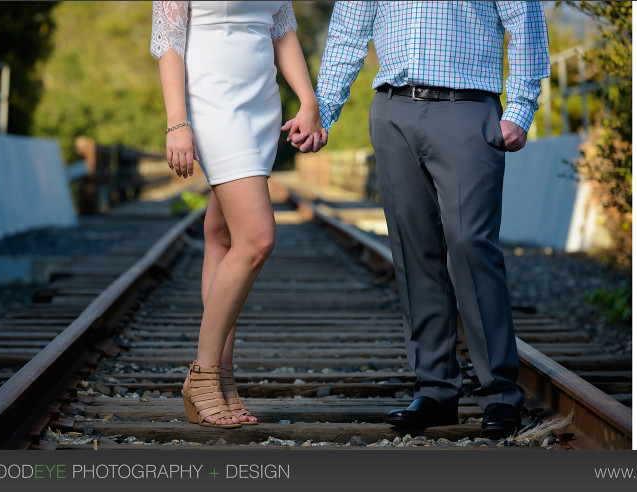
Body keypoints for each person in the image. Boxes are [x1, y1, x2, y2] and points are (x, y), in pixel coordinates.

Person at [286, 2, 550, 438]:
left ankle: (501, 394)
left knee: (470, 246)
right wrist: (324, 109)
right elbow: (348, 32)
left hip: (467, 107)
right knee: (414, 251)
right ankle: (436, 390)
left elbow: (525, 21)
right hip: (393, 110)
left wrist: (519, 108)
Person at [151, 1, 323, 428]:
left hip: (261, 104)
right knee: (257, 238)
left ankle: (223, 381)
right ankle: (203, 375)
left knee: (223, 237)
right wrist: (177, 121)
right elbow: (169, 41)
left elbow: (281, 32)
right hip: (213, 102)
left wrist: (307, 98)